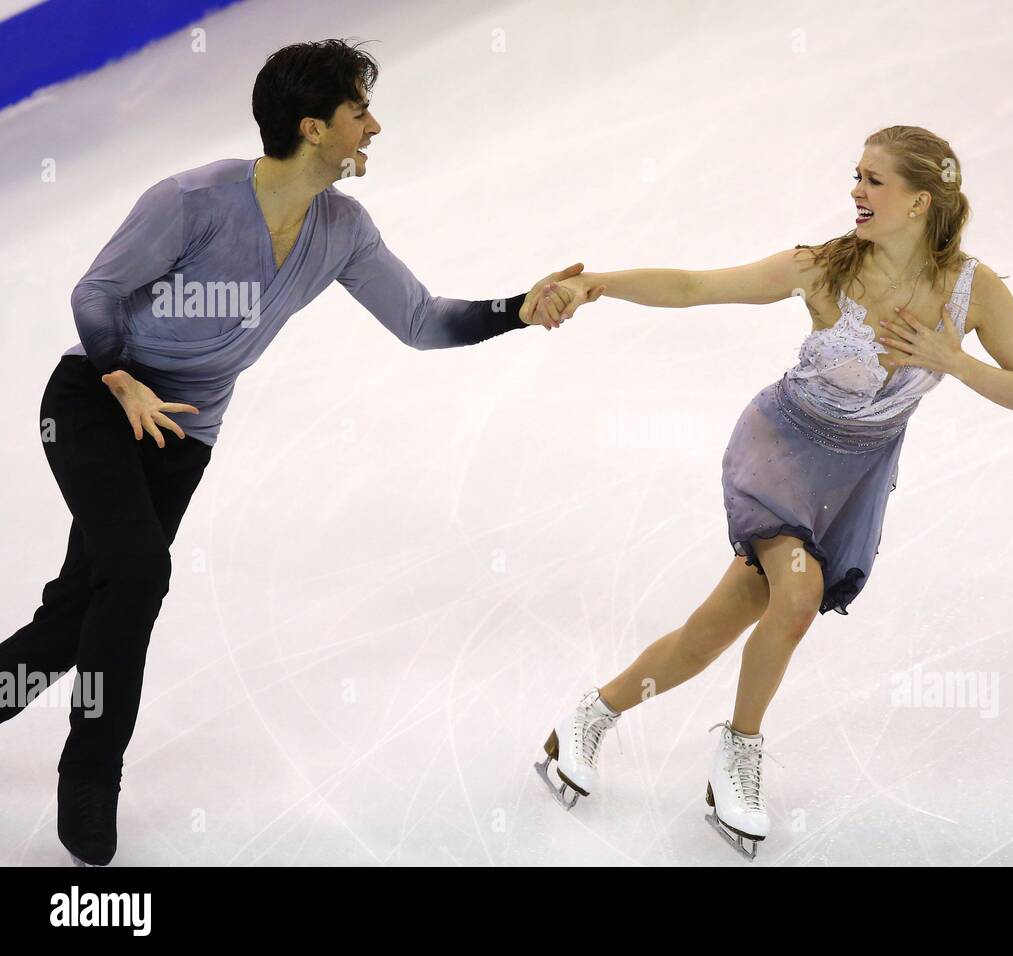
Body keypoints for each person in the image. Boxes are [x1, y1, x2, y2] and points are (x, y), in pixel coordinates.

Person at [0, 38, 591, 867]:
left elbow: (422, 323)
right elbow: (93, 294)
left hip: (182, 435)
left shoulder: (342, 229)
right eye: (360, 111)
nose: (374, 126)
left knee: (75, 619)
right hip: (98, 404)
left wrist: (516, 309)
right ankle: (91, 774)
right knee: (135, 573)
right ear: (313, 128)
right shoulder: (192, 199)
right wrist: (122, 378)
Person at [532, 126, 1013, 860]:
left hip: (852, 479)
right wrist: (599, 285)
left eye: (874, 181)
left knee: (708, 634)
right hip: (780, 448)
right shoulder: (824, 269)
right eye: (857, 176)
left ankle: (590, 718)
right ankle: (736, 758)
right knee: (797, 597)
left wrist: (954, 361)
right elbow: (695, 287)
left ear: (920, 203)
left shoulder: (974, 290)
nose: (856, 191)